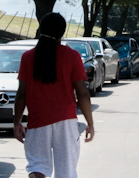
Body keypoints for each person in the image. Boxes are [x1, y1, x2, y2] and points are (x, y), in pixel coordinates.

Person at [14, 12, 94, 178]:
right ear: (62, 33)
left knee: (38, 165)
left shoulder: (28, 57)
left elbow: (21, 94)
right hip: (66, 120)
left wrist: (17, 122)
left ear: (40, 28)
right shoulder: (72, 56)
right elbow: (83, 93)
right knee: (66, 169)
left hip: (37, 121)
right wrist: (90, 123)